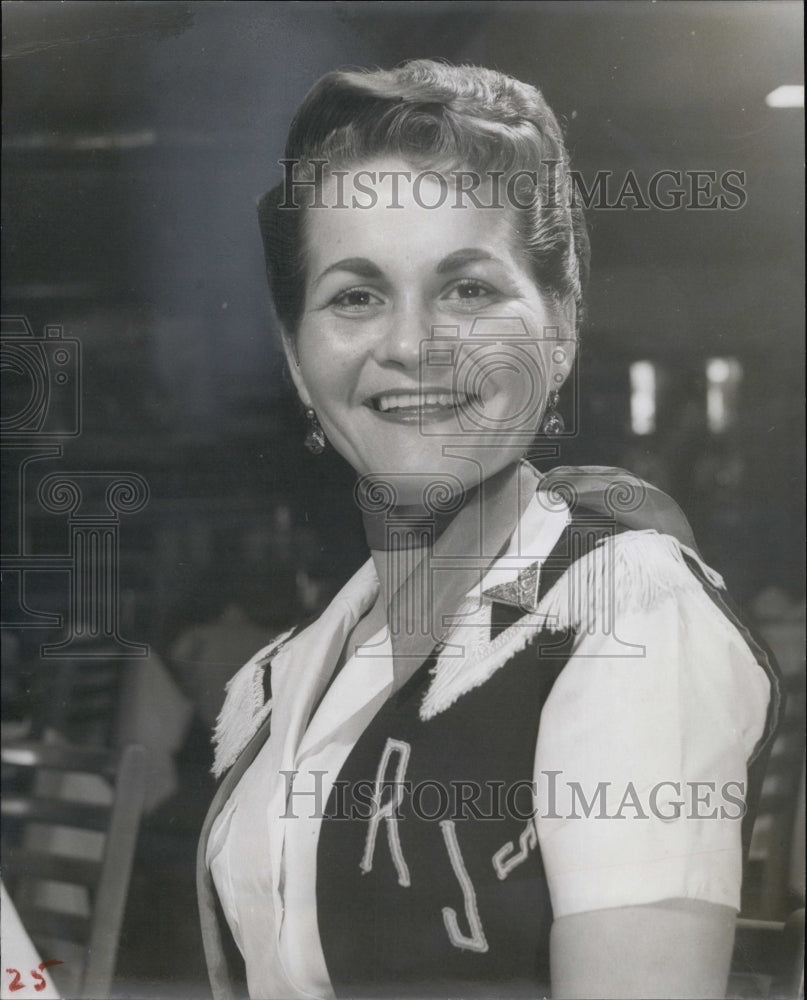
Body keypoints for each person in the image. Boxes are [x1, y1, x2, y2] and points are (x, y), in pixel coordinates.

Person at [196, 60, 780, 1000]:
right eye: (355, 296)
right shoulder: (294, 666)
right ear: (296, 361)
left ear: (560, 325)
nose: (412, 344)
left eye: (468, 290)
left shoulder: (626, 620)